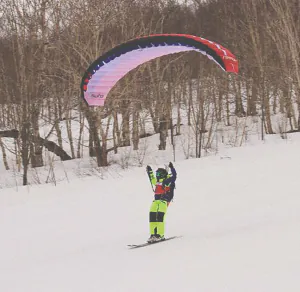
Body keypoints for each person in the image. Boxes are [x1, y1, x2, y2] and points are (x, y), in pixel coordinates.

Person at [146, 162, 177, 243]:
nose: (157, 175)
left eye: (159, 173)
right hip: (156, 201)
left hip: (164, 201)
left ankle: (160, 235)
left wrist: (172, 168)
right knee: (152, 217)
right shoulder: (157, 181)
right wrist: (150, 171)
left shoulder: (168, 180)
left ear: (163, 174)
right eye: (157, 173)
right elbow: (152, 178)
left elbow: (174, 177)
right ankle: (153, 235)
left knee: (160, 217)